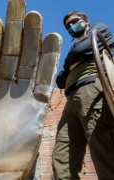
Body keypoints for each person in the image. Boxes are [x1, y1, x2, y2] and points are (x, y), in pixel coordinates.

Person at [52, 11, 114, 179]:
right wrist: (73, 61)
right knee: (62, 155)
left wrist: (71, 61)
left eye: (74, 22)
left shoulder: (100, 29)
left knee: (102, 148)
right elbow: (61, 81)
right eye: (67, 26)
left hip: (92, 89)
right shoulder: (77, 49)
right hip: (70, 99)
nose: (71, 27)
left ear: (86, 21)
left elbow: (80, 48)